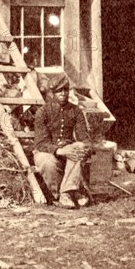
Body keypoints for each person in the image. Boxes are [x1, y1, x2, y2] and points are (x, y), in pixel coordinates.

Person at [33, 73, 91, 208]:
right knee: (48, 163)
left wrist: (82, 146)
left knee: (79, 149)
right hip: (46, 151)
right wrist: (60, 151)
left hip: (69, 150)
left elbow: (85, 138)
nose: (63, 93)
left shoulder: (75, 110)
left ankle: (66, 193)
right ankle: (59, 195)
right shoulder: (43, 112)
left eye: (66, 89)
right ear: (52, 92)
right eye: (59, 90)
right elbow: (40, 143)